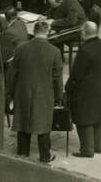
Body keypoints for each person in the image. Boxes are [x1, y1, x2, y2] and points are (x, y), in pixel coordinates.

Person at [5, 16, 63, 163]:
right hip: (44, 93)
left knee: (23, 122)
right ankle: (45, 155)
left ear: (34, 31)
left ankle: (22, 152)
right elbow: (57, 78)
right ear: (47, 32)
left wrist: (10, 93)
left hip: (22, 92)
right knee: (43, 125)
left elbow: (12, 74)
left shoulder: (20, 49)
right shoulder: (54, 51)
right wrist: (58, 96)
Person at [66, 21, 101, 158]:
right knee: (97, 116)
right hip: (99, 86)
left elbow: (77, 74)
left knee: (84, 118)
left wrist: (68, 87)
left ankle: (87, 149)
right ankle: (98, 146)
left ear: (85, 33)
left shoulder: (84, 51)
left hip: (84, 90)